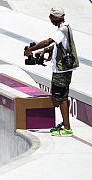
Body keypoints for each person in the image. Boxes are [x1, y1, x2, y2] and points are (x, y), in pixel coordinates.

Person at [24, 7, 79, 136]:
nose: (50, 19)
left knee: (60, 98)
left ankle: (66, 128)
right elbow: (57, 44)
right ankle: (66, 124)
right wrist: (47, 51)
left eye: (51, 16)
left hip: (61, 71)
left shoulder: (62, 29)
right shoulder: (66, 27)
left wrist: (31, 49)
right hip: (64, 69)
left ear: (56, 17)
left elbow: (47, 41)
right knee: (62, 97)